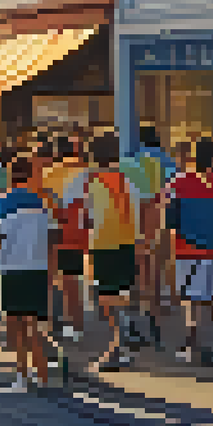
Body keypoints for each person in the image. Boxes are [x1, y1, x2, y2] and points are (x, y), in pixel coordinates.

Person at [0, 153, 54, 394]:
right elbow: (52, 237)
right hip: (37, 267)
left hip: (11, 267)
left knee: (15, 326)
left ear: (10, 176)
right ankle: (42, 376)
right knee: (33, 324)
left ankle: (22, 377)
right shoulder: (43, 202)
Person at [166, 137, 213, 367]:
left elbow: (170, 219)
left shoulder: (178, 182)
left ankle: (191, 346)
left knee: (192, 300)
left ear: (192, 157)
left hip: (189, 249)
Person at [84, 133, 141, 371]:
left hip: (104, 245)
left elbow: (89, 217)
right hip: (127, 243)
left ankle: (116, 348)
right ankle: (124, 338)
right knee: (121, 294)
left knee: (106, 299)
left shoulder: (95, 182)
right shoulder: (127, 181)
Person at [122, 126, 174, 349]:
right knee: (153, 274)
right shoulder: (167, 162)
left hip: (130, 223)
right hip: (158, 222)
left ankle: (132, 325)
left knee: (132, 274)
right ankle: (155, 327)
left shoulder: (129, 163)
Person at [41, 135, 89, 343]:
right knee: (72, 280)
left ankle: (52, 322)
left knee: (50, 279)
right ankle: (76, 326)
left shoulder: (48, 174)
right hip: (77, 232)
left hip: (52, 231)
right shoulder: (86, 171)